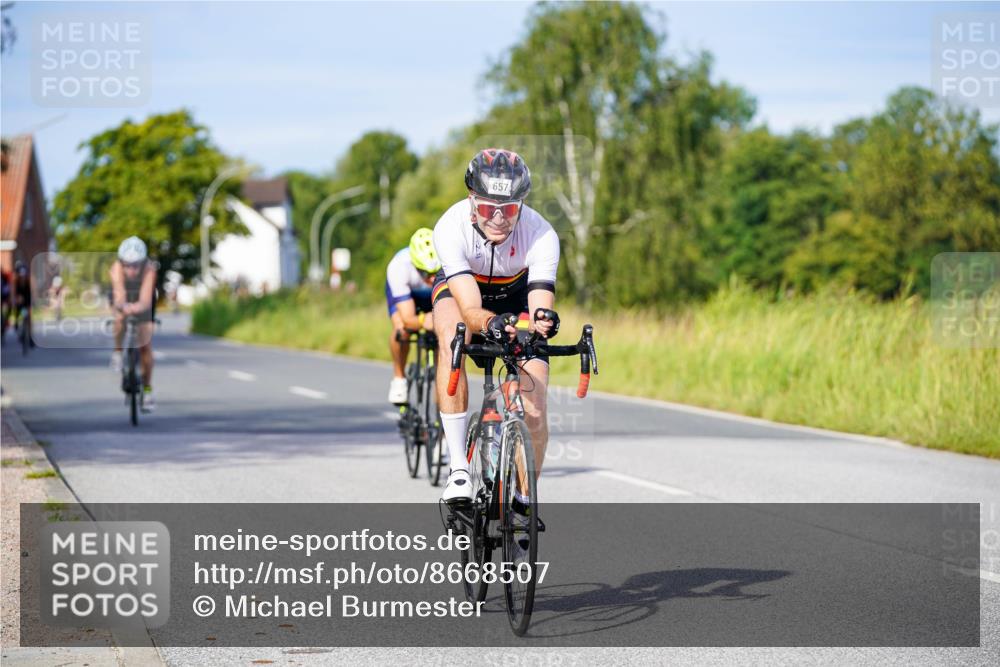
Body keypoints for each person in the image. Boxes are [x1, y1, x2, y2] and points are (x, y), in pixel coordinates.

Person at [432, 149, 560, 510]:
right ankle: (458, 469)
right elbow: (471, 308)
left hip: (516, 293)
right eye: (489, 208)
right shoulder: (450, 226)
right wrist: (490, 322)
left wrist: (542, 324)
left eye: (510, 208)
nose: (500, 218)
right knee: (453, 333)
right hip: (465, 293)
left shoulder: (541, 234)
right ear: (472, 202)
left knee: (535, 402)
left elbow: (539, 305)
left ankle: (522, 498)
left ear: (522, 204)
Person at [385, 228, 440, 404]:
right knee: (402, 330)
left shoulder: (448, 258)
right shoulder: (399, 266)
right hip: (408, 297)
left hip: (433, 297)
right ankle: (399, 377)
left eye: (436, 273)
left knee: (445, 337)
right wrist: (425, 320)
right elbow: (408, 319)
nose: (431, 279)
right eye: (425, 273)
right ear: (416, 265)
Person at [109, 237, 158, 412]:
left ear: (142, 262)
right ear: (121, 263)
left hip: (143, 299)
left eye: (136, 265)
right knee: (119, 319)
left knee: (146, 344)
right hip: (124, 297)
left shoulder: (149, 270)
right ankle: (117, 352)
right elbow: (119, 294)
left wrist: (137, 308)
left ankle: (147, 390)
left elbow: (145, 300)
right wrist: (123, 307)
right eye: (127, 265)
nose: (131, 269)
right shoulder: (116, 268)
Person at [12, 262, 33, 346]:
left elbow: (33, 291)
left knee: (29, 317)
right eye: (21, 275)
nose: (22, 277)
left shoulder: (29, 280)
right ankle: (16, 322)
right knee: (17, 310)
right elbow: (13, 293)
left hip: (27, 299)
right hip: (19, 299)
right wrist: (14, 300)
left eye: (24, 275)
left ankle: (30, 337)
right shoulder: (15, 281)